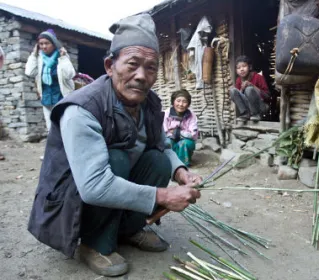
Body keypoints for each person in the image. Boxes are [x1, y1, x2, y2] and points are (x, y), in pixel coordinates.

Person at [27, 14, 202, 277]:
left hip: (109, 185)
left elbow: (162, 145)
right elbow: (95, 186)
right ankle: (93, 243)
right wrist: (164, 196)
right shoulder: (83, 108)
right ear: (110, 65)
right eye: (132, 64)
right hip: (74, 198)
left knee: (158, 160)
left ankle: (129, 229)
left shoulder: (150, 103)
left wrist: (180, 172)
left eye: (151, 68)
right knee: (117, 158)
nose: (142, 76)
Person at [25, 29, 76, 132]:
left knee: (65, 127)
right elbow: (30, 72)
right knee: (51, 129)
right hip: (47, 99)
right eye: (41, 44)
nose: (44, 46)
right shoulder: (40, 59)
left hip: (62, 98)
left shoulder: (61, 57)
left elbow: (69, 75)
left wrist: (63, 58)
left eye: (47, 43)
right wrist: (33, 55)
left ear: (54, 43)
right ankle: (54, 147)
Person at [229, 55, 270, 122]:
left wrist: (252, 86)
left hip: (261, 106)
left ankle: (256, 114)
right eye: (238, 68)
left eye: (244, 66)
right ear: (236, 71)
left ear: (250, 67)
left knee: (249, 89)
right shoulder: (238, 80)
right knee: (233, 91)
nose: (241, 69)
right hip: (248, 107)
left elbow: (267, 96)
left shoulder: (258, 77)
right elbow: (240, 97)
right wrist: (241, 89)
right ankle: (245, 114)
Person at [164, 89, 199, 166]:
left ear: (188, 104)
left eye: (184, 101)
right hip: (170, 139)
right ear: (173, 102)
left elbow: (193, 134)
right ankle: (170, 164)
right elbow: (164, 131)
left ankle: (182, 165)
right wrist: (174, 135)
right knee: (167, 142)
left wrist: (179, 133)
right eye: (178, 101)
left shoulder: (192, 115)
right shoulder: (166, 113)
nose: (181, 104)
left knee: (185, 143)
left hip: (185, 141)